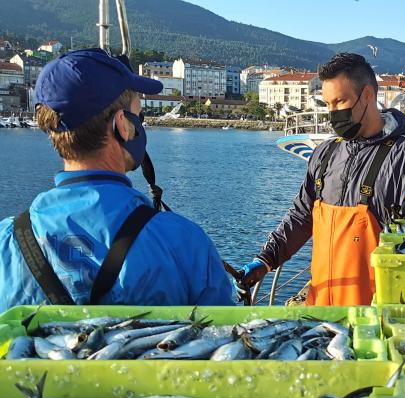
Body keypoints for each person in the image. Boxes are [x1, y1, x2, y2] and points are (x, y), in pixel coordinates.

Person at [0, 48, 234, 311]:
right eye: (139, 114)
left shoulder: (7, 241)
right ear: (122, 124)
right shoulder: (183, 243)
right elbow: (229, 338)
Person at [239, 53, 405, 306]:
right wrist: (265, 260)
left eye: (340, 101)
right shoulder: (325, 153)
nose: (333, 113)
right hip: (322, 310)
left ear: (368, 95)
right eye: (328, 104)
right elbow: (301, 217)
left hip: (381, 313)